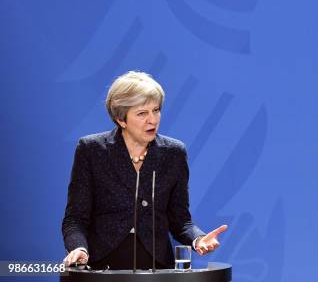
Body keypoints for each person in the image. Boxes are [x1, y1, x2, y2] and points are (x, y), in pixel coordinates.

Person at [62, 71, 228, 269]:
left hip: (156, 266)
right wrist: (79, 248)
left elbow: (181, 220)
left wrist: (198, 239)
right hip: (102, 264)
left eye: (156, 110)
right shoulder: (92, 150)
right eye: (142, 113)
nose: (153, 120)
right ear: (121, 119)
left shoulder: (173, 153)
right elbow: (75, 218)